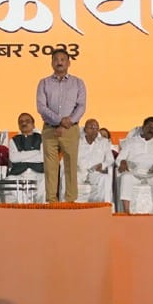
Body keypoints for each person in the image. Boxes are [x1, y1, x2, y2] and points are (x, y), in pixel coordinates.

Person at [36, 48, 85, 202]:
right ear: (51, 62)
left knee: (70, 165)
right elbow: (41, 107)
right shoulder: (44, 83)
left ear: (69, 62)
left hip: (71, 129)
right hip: (50, 129)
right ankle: (52, 200)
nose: (59, 62)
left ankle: (70, 200)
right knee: (51, 167)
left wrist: (67, 123)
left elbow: (81, 106)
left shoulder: (78, 82)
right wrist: (59, 121)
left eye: (63, 59)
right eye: (56, 59)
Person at [118, 116, 153, 214]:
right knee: (125, 178)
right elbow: (120, 158)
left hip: (151, 173)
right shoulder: (131, 142)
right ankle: (126, 211)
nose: (151, 130)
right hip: (133, 172)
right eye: (149, 126)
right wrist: (122, 162)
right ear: (143, 127)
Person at [7, 112, 45, 203]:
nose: (24, 123)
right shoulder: (13, 140)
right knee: (10, 180)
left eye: (27, 121)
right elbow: (14, 158)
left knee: (46, 180)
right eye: (21, 122)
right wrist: (35, 152)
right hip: (19, 173)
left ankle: (41, 207)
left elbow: (42, 157)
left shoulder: (42, 138)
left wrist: (22, 155)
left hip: (38, 172)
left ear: (33, 124)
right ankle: (25, 205)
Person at [76, 118, 112, 203]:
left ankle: (103, 206)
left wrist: (102, 165)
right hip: (78, 172)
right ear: (85, 129)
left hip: (95, 172)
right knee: (69, 177)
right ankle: (69, 207)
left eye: (96, 128)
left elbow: (110, 159)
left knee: (105, 178)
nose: (94, 131)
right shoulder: (77, 141)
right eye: (91, 128)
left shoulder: (104, 142)